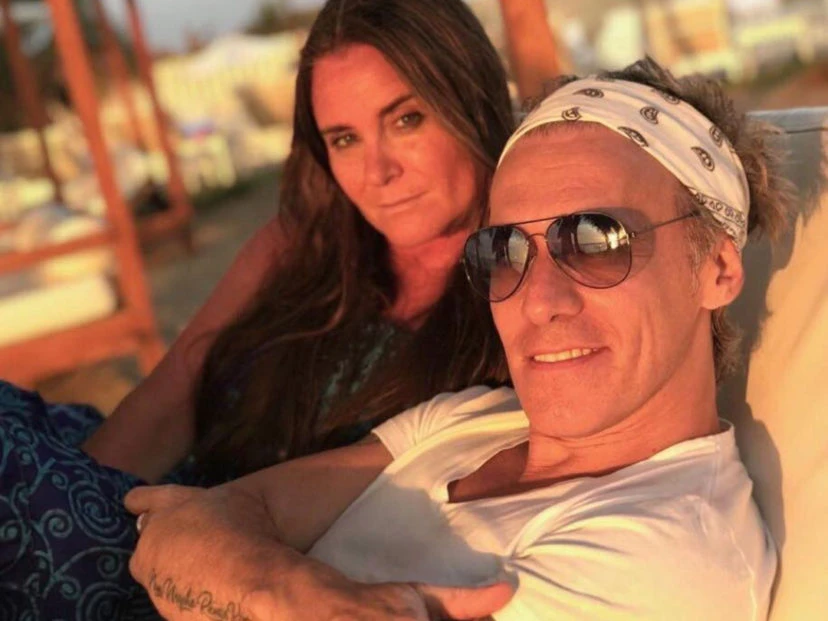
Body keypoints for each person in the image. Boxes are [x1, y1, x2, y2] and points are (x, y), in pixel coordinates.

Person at [126, 58, 790, 620]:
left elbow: (196, 543)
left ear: (717, 269)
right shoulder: (469, 419)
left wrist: (231, 571)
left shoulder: (669, 558)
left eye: (595, 241)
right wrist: (291, 599)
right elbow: (179, 529)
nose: (538, 300)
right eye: (504, 250)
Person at [1, 0, 567, 617]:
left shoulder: (532, 280)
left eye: (406, 119)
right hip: (131, 515)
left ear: (472, 99)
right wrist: (65, 503)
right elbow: (171, 398)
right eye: (344, 139)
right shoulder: (301, 246)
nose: (377, 171)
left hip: (243, 579)